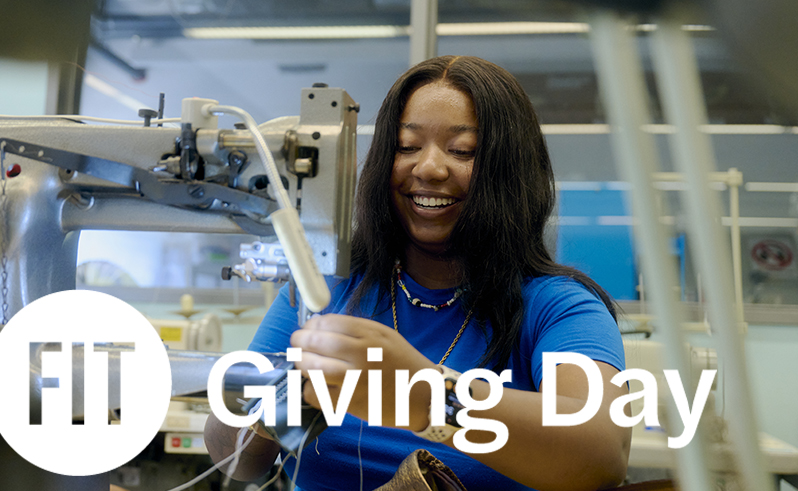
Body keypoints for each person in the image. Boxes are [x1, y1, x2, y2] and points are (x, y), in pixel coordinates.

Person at [204, 55, 630, 491]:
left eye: (463, 150)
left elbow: (602, 455)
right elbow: (236, 462)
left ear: (510, 169)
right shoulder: (326, 288)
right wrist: (277, 403)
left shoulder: (557, 308)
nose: (428, 168)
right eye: (406, 146)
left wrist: (430, 398)